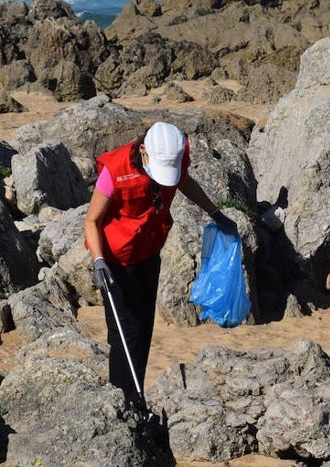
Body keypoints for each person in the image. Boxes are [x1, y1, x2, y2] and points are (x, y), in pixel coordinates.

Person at [83, 121, 237, 403]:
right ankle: (124, 400)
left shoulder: (177, 155)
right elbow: (92, 221)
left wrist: (215, 213)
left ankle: (136, 393)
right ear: (143, 151)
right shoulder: (114, 171)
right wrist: (99, 261)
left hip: (148, 254)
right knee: (123, 334)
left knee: (143, 329)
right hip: (114, 263)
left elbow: (185, 182)